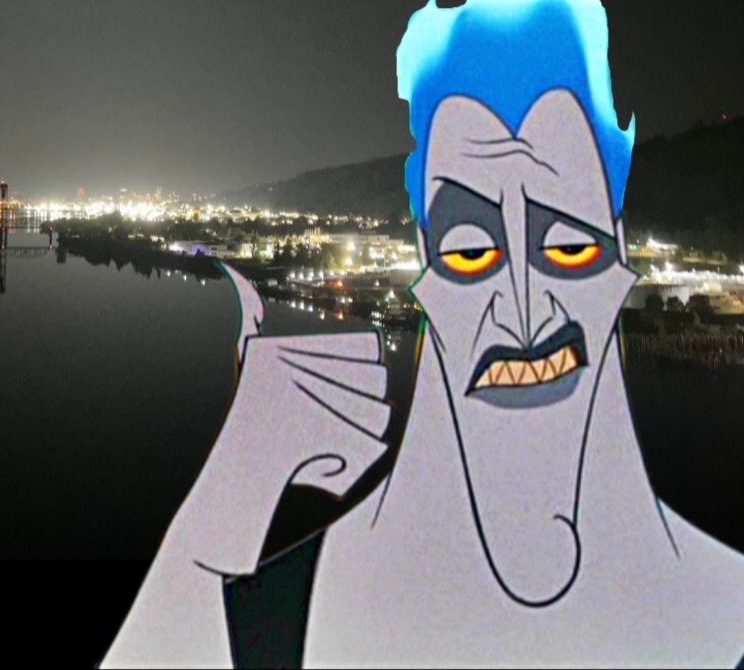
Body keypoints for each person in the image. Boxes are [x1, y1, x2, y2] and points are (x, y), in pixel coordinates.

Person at [101, 1, 744, 666]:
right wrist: (221, 512)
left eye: (567, 247)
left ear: (618, 250)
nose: (523, 312)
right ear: (423, 262)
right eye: (470, 252)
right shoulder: (274, 622)